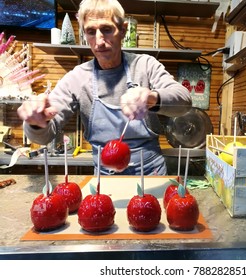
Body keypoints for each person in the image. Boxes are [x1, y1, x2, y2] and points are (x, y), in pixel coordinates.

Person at [17, 0, 192, 175]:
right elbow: (46, 135)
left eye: (107, 30)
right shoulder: (77, 78)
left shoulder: (145, 66)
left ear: (123, 30)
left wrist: (152, 98)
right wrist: (36, 123)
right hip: (105, 176)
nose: (99, 41)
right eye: (91, 32)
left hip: (150, 172)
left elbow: (184, 101)